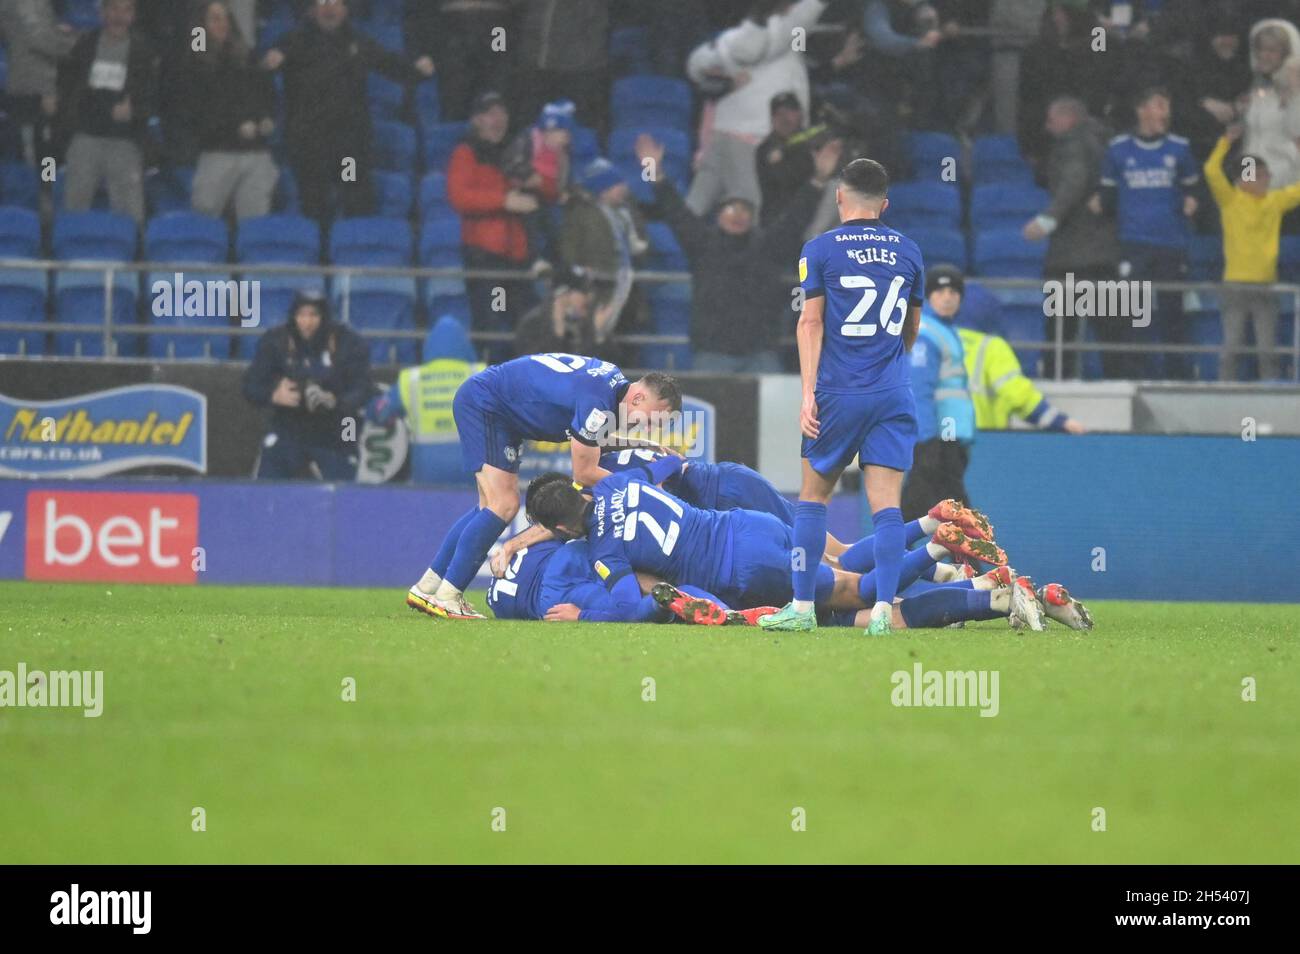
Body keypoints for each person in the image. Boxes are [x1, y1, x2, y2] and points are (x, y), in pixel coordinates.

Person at [526, 457, 1014, 626]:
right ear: (580, 490)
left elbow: (634, 607)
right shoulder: (618, 482)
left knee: (859, 594)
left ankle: (935, 545)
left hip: (741, 569)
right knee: (839, 560)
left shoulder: (603, 552)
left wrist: (583, 614)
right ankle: (929, 524)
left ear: (563, 530)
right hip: (747, 524)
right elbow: (669, 466)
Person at [761, 157, 924, 636]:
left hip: (838, 391)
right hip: (893, 393)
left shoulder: (820, 249)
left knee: (813, 498)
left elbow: (810, 322)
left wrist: (808, 393)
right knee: (887, 506)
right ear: (885, 204)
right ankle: (881, 613)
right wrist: (890, 363)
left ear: (839, 197)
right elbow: (912, 328)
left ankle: (802, 606)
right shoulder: (910, 250)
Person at [405, 356, 681, 620]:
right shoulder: (598, 402)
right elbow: (584, 473)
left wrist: (642, 446)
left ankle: (429, 587)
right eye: (650, 421)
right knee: (503, 505)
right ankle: (448, 595)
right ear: (638, 398)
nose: (646, 429)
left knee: (489, 506)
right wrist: (641, 490)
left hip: (495, 406)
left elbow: (593, 438)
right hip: (487, 405)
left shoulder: (610, 383)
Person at [636, 131, 839, 372]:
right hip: (713, 354)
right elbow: (674, 210)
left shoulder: (768, 247)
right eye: (731, 208)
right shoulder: (702, 243)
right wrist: (652, 171)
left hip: (760, 353)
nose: (738, 215)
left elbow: (797, 217)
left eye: (744, 210)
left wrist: (819, 179)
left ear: (753, 218)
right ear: (719, 214)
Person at [262, 0, 434, 223]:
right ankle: (319, 255)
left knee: (355, 199)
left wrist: (419, 71)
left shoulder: (358, 41)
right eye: (323, 2)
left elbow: (390, 65)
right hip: (309, 146)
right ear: (313, 9)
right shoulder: (293, 41)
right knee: (314, 206)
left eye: (335, 2)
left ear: (345, 9)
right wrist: (266, 64)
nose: (329, 8)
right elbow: (262, 72)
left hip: (349, 147)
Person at [684, 0, 829, 217]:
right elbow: (794, 23)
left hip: (727, 134)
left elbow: (697, 66)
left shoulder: (772, 43)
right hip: (750, 140)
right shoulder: (767, 35)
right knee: (752, 211)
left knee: (693, 211)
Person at [1095, 86, 1200, 380]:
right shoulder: (1118, 149)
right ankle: (1134, 376)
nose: (1165, 112)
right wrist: (1100, 202)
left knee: (1172, 312)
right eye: (1159, 105)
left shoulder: (1180, 147)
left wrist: (1192, 201)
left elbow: (1193, 187)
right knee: (1134, 314)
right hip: (1134, 243)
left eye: (1167, 106)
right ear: (1141, 110)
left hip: (1171, 243)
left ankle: (1178, 377)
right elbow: (1107, 194)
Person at [1023, 97, 1116, 379]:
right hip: (1103, 252)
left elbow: (1073, 183)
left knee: (1062, 327)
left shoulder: (1075, 145)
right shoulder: (1102, 144)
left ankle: (1057, 382)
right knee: (1107, 326)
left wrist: (1048, 219)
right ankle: (1117, 382)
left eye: (1052, 120)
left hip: (1073, 254)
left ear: (1068, 119)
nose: (1047, 127)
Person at [1203, 125, 1300, 381]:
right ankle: (1225, 393)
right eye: (1260, 174)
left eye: (1266, 174)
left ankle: (1270, 393)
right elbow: (1211, 171)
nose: (1266, 178)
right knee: (1231, 348)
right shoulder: (1231, 200)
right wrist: (1225, 142)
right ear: (1245, 178)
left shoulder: (1274, 201)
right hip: (1235, 285)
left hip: (1267, 285)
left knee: (1267, 350)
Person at [242, 291, 372, 480]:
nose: (307, 323)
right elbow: (250, 386)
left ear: (325, 317)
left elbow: (364, 387)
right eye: (301, 315)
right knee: (274, 448)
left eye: (313, 315)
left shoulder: (350, 341)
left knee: (349, 442)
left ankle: (349, 469)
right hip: (292, 420)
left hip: (342, 420)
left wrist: (337, 401)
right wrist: (273, 394)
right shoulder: (275, 340)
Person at [448, 91, 538, 362]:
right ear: (476, 120)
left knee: (523, 326)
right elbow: (459, 197)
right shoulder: (466, 152)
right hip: (486, 258)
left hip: (517, 257)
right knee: (492, 326)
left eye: (502, 113)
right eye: (490, 114)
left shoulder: (515, 153)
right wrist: (504, 200)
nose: (498, 119)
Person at [56, 0, 158, 223]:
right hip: (85, 135)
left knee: (131, 216)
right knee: (74, 207)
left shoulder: (144, 51)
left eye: (126, 10)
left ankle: (133, 254)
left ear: (133, 15)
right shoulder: (83, 45)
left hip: (125, 138)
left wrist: (135, 112)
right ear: (102, 12)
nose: (119, 16)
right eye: (114, 9)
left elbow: (154, 97)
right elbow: (67, 88)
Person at [180, 0, 279, 222]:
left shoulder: (247, 56)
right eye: (214, 19)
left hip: (255, 151)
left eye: (225, 18)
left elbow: (266, 94)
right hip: (217, 151)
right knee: (204, 219)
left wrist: (266, 119)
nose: (222, 24)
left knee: (255, 223)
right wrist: (235, 126)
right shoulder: (194, 65)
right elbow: (199, 109)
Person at [903, 264, 975, 522]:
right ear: (929, 296)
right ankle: (976, 560)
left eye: (954, 292)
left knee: (922, 505)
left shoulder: (944, 331)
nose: (947, 297)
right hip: (939, 438)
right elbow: (919, 389)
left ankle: (886, 554)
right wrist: (926, 439)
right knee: (953, 507)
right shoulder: (928, 334)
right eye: (940, 291)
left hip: (947, 436)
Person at [558, 157, 649, 344]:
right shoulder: (581, 213)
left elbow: (639, 242)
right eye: (616, 184)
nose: (623, 187)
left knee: (618, 335)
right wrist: (579, 273)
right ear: (603, 189)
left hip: (625, 281)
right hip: (595, 285)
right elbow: (570, 249)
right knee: (594, 333)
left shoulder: (626, 211)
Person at [956, 324, 1088, 433]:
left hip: (941, 444)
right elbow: (1017, 395)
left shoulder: (937, 342)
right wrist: (1059, 421)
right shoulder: (990, 346)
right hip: (981, 444)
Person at [0, 0, 77, 167]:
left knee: (46, 151)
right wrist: (84, 44)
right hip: (34, 87)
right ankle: (43, 189)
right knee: (40, 152)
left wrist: (56, 31)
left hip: (40, 85)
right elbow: (40, 38)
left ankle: (46, 186)